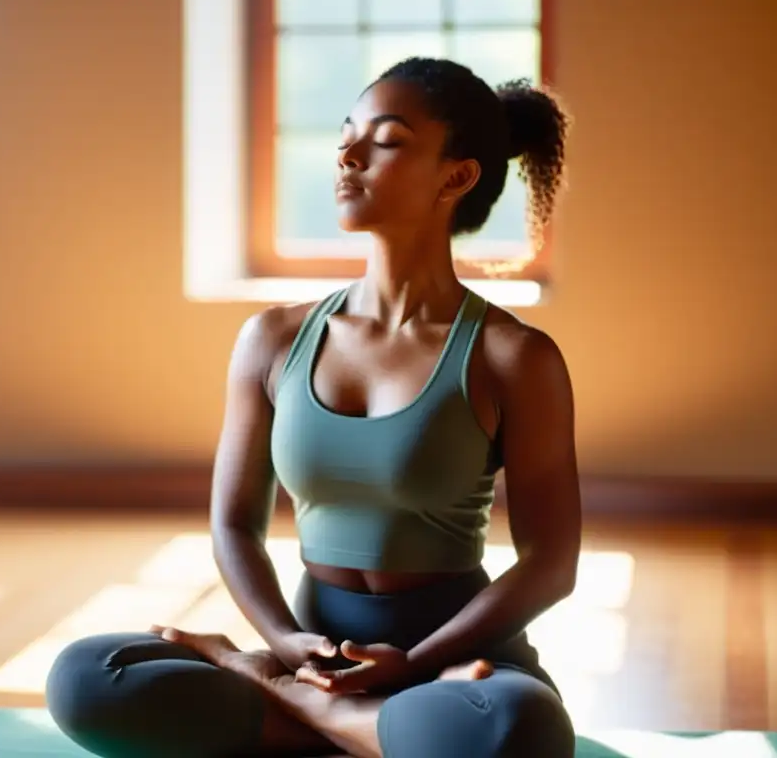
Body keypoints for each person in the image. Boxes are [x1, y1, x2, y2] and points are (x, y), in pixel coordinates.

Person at [45, 56, 580, 758]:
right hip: (313, 651)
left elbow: (552, 562)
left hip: (455, 666)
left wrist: (412, 667)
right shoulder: (273, 339)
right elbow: (234, 523)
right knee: (87, 678)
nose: (348, 155)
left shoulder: (514, 356)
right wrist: (281, 643)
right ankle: (359, 730)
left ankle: (282, 705)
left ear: (457, 176)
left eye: (385, 141)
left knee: (514, 731)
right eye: (345, 135)